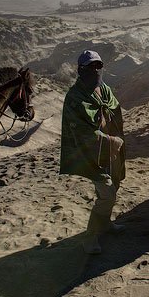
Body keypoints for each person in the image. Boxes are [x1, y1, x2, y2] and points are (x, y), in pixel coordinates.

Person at [61, 50, 126, 254]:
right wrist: (109, 140)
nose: (96, 70)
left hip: (107, 147)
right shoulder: (74, 97)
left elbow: (114, 107)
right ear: (81, 70)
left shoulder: (103, 89)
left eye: (99, 66)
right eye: (91, 67)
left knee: (113, 184)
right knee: (107, 192)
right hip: (89, 152)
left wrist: (115, 137)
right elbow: (81, 131)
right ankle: (89, 237)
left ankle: (105, 223)